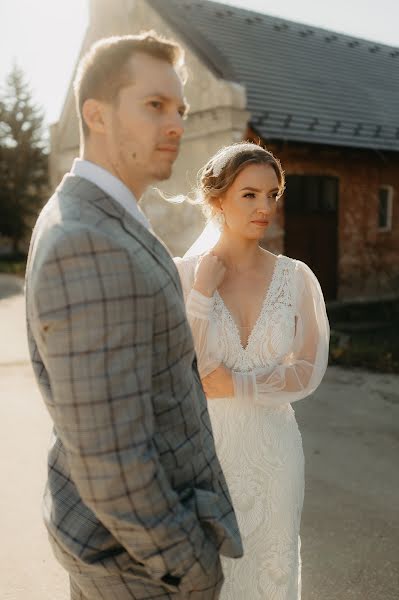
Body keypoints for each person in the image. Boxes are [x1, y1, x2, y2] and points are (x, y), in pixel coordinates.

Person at [25, 32, 242, 600]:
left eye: (180, 109)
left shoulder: (100, 212)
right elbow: (112, 463)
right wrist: (188, 569)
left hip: (119, 547)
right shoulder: (85, 241)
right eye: (154, 106)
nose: (176, 125)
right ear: (95, 115)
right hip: (138, 565)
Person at [174, 142, 330, 600]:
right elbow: (191, 368)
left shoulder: (297, 277)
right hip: (207, 454)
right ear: (217, 199)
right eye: (249, 195)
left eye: (273, 194)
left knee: (273, 574)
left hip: (274, 455)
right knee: (211, 580)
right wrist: (202, 293)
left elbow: (307, 369)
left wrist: (240, 384)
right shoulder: (185, 275)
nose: (265, 207)